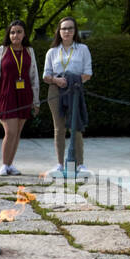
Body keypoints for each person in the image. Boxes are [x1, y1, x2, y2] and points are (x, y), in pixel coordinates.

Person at [42, 16, 93, 178]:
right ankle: (59, 163)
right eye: (64, 28)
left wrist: (73, 81)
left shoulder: (82, 49)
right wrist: (56, 80)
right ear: (59, 31)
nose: (67, 32)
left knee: (75, 126)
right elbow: (46, 75)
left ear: (75, 31)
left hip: (75, 90)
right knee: (59, 128)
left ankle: (80, 164)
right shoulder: (52, 51)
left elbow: (87, 73)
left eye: (70, 28)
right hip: (55, 91)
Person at [0, 19, 40, 176]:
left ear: (24, 34)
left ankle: (10, 164)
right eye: (12, 32)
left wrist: (36, 101)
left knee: (18, 132)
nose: (15, 35)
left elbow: (34, 76)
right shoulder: (2, 50)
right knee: (10, 131)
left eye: (19, 32)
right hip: (6, 96)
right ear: (8, 34)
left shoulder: (29, 51)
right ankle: (4, 164)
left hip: (24, 96)